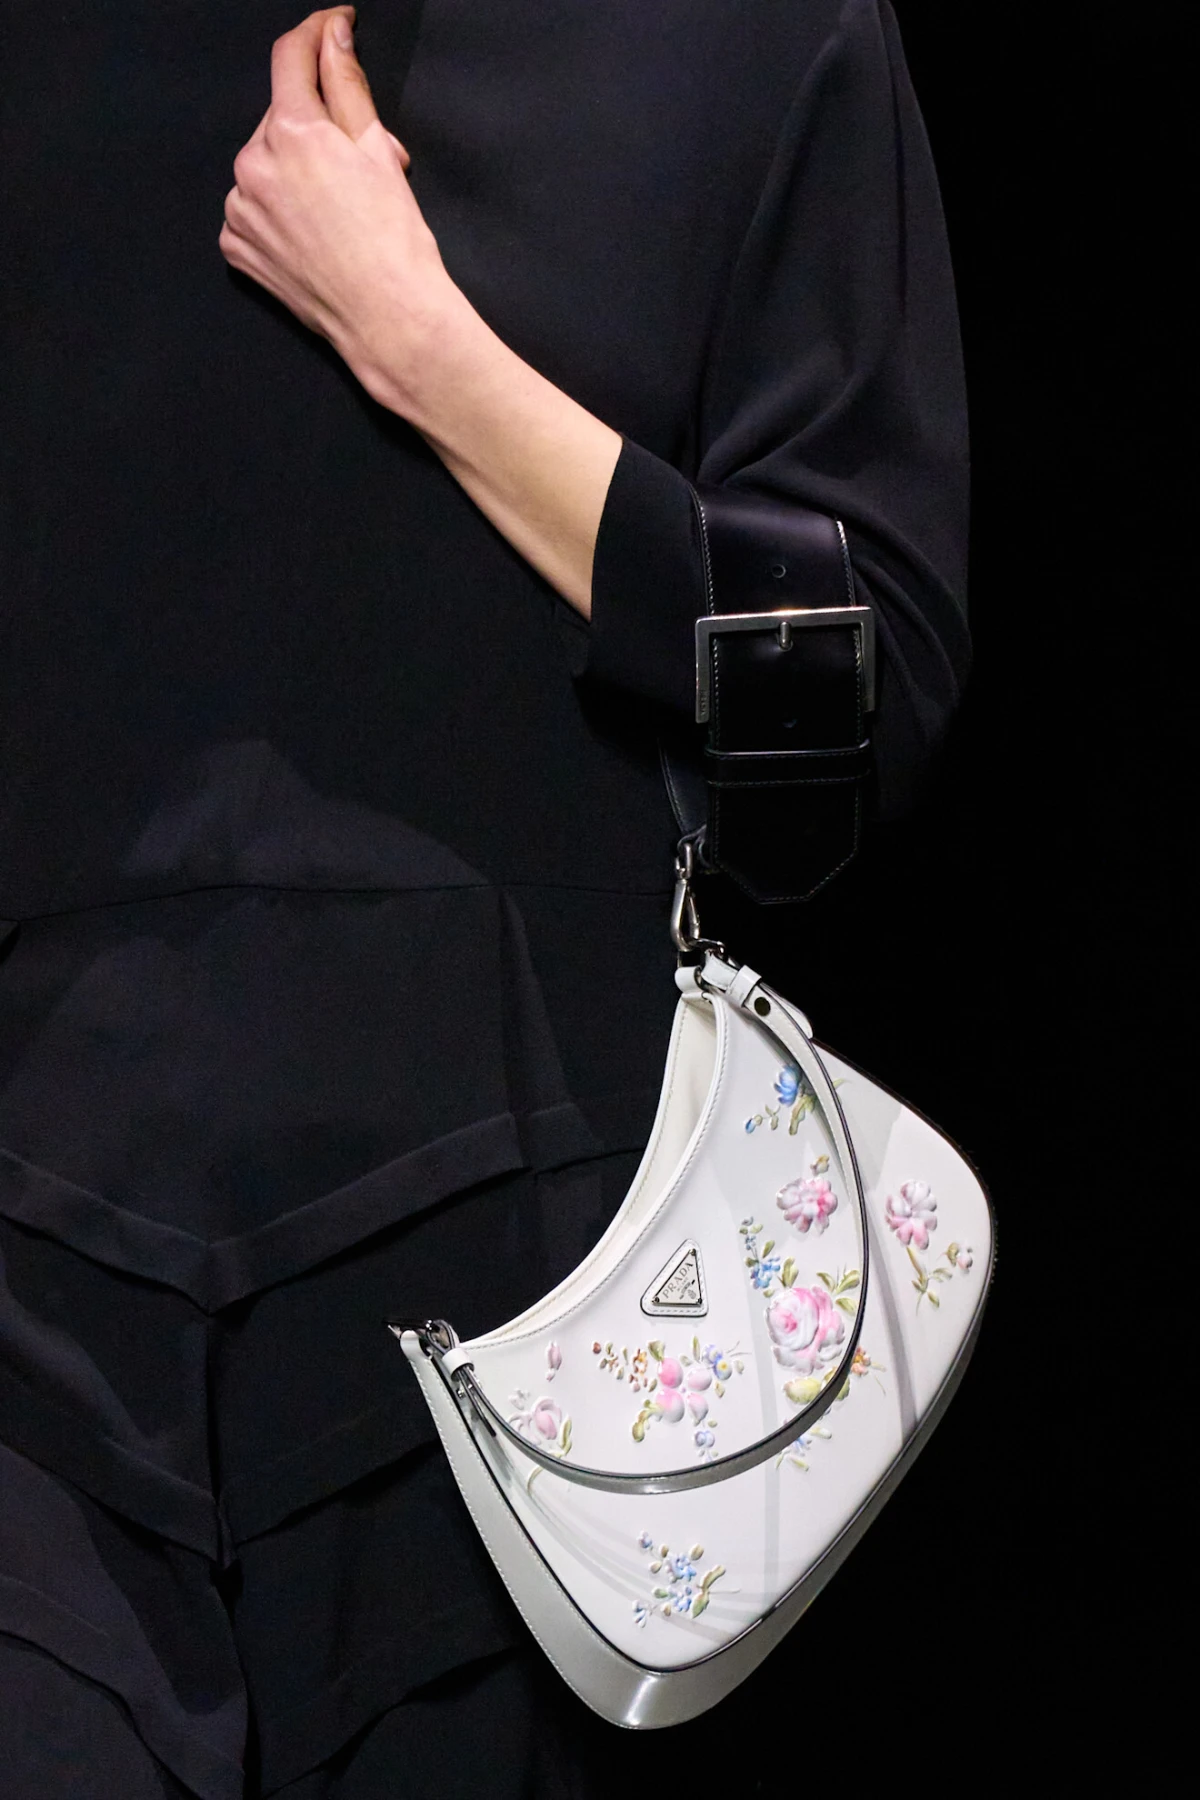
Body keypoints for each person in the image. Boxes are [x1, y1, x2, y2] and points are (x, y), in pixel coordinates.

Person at [0, 2, 969, 1793]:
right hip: (46, 1297)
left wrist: (423, 346)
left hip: (530, 1324)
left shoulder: (750, 39)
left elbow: (859, 698)